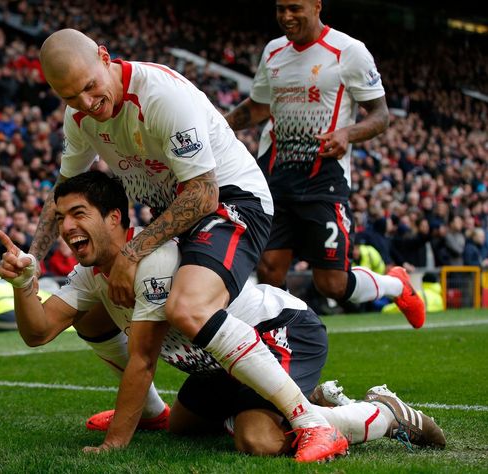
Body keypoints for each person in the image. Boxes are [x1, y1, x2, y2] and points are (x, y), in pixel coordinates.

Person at [22, 29, 345, 462]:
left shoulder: (161, 95)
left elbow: (203, 195)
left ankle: (311, 421)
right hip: (178, 216)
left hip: (232, 201)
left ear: (104, 56)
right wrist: (32, 258)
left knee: (187, 307)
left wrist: (134, 251)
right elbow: (64, 190)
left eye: (89, 87)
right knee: (96, 314)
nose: (85, 103)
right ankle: (156, 412)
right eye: (69, 96)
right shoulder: (78, 118)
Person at [0, 172, 444, 459]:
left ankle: (384, 413)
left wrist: (115, 441)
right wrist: (23, 283)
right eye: (60, 219)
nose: (67, 227)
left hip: (279, 330)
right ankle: (302, 401)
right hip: (218, 364)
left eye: (79, 213)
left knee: (257, 440)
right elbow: (37, 333)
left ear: (115, 218)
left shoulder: (153, 259)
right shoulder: (88, 274)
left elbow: (143, 360)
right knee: (181, 426)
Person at [224, 0, 425, 328]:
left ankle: (396, 285)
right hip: (274, 178)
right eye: (279, 9)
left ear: (316, 6)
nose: (286, 17)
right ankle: (285, 350)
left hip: (323, 180)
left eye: (294, 8)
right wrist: (220, 123)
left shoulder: (349, 51)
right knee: (270, 269)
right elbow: (260, 106)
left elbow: (380, 114)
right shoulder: (274, 52)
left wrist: (348, 133)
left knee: (331, 283)